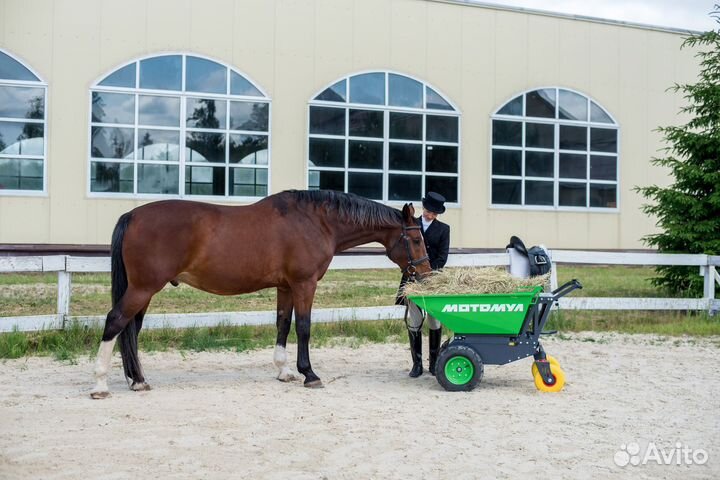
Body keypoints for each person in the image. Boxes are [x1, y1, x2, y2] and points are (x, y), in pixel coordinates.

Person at [396, 192, 450, 377]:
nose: (430, 215)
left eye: (434, 213)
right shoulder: (412, 225)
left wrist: (427, 274)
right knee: (415, 320)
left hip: (432, 278)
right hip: (412, 279)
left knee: (434, 321)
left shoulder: (444, 229)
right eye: (428, 211)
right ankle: (416, 364)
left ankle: (434, 363)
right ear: (424, 208)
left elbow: (442, 256)